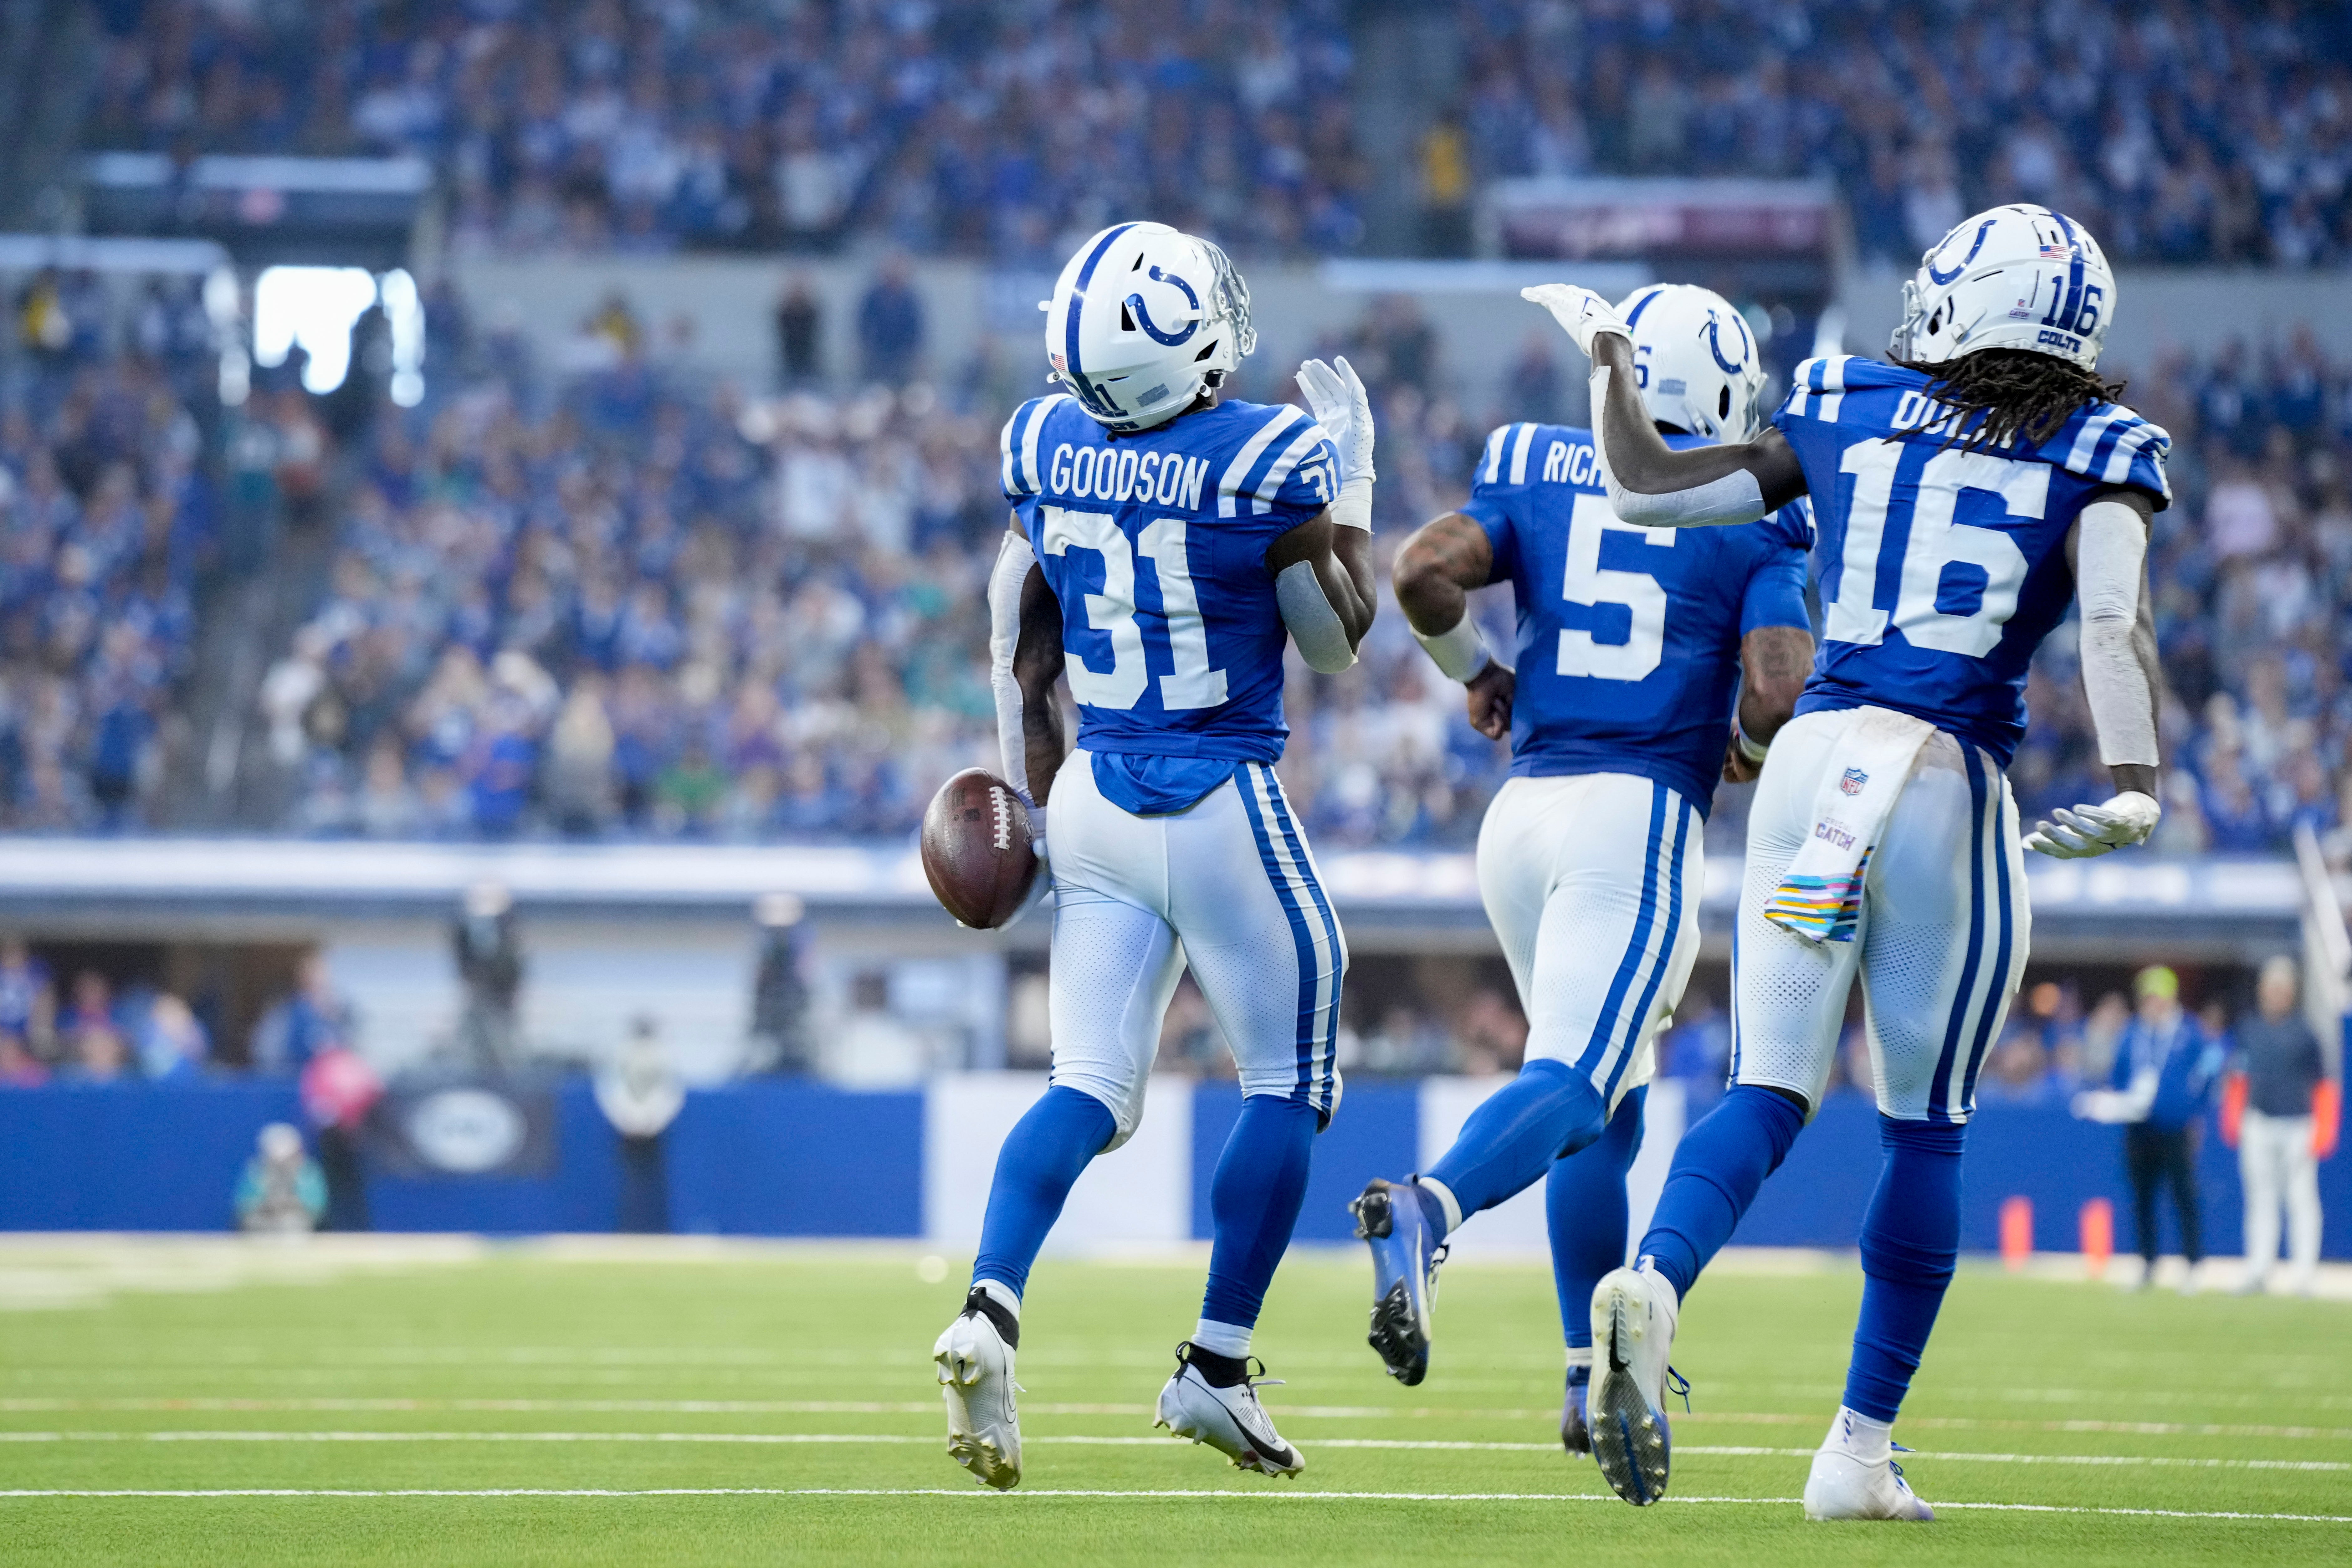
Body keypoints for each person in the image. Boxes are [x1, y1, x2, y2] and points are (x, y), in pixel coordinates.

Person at [1526, 204, 2171, 1519]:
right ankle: (1856, 1454)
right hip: (1943, 783)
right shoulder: (2100, 445)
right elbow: (2113, 625)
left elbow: (1647, 489)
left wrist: (1607, 363)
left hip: (1815, 769)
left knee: (1768, 1086)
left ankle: (1652, 1275)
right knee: (1923, 1122)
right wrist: (2134, 779)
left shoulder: (1848, 397)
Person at [935, 221, 1376, 1491]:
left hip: (1090, 798)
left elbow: (1017, 635)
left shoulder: (1044, 442)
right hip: (1220, 793)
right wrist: (1350, 483)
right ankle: (1217, 1365)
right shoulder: (1269, 456)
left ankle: (990, 1304)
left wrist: (1024, 793)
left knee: (1088, 1084)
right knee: (1290, 1079)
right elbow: (1337, 641)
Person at [1355, 285, 1814, 1462]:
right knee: (1575, 1084)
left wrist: (1478, 668)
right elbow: (1772, 686)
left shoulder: (1533, 460)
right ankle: (1429, 1207)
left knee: (1604, 1110)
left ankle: (1580, 1371)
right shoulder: (1759, 518)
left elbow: (1419, 573)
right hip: (1635, 816)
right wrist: (1751, 754)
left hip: (1520, 818)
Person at [2075, 966, 2227, 1291]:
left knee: (2183, 1196)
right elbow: (2118, 1075)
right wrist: (2113, 1103)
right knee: (2142, 1198)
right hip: (2139, 1128)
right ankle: (2147, 1262)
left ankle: (2193, 1264)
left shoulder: (2189, 1033)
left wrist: (2195, 1110)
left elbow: (2211, 1070)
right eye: (2148, 998)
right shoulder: (2133, 1033)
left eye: (2159, 997)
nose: (2154, 1004)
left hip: (2176, 1126)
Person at [2223, 956, 2339, 1295]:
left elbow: (2324, 1084)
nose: (2276, 995)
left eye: (2282, 989)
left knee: (2301, 1199)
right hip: (2258, 1120)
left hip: (2298, 1123)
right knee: (2261, 1199)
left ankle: (2304, 1275)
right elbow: (2237, 1076)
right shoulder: (2249, 1029)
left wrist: (2325, 1127)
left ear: (2291, 992)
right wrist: (2234, 1118)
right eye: (2271, 988)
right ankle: (2259, 1269)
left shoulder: (2305, 1032)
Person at [234, 1122, 327, 1233]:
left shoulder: (308, 1172)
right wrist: (265, 1206)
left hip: (294, 1221)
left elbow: (316, 1207)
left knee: (292, 1224)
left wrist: (292, 1204)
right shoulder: (256, 1172)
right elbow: (244, 1205)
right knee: (255, 1224)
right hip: (261, 1223)